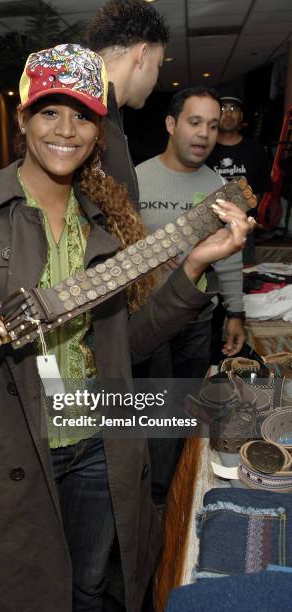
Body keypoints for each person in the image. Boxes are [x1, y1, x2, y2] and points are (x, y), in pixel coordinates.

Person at [0, 44, 254, 612]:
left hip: (98, 439)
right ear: (22, 119)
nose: (65, 129)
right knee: (19, 588)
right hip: (12, 442)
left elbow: (132, 341)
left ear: (98, 130)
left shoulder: (108, 226)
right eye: (50, 111)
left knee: (89, 584)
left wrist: (194, 266)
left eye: (82, 115)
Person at [136, 86, 247, 509]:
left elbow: (231, 257)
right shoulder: (137, 178)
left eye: (213, 126)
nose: (203, 134)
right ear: (171, 124)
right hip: (147, 320)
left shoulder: (220, 186)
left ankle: (181, 485)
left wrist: (235, 311)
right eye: (194, 122)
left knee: (186, 403)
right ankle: (153, 493)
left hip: (197, 320)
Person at [86, 0, 169, 207]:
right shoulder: (87, 119)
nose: (157, 76)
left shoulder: (105, 113)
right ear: (142, 55)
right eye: (158, 64)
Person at [206, 95, 271, 264]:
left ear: (241, 116)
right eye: (223, 109)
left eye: (233, 109)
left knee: (243, 280)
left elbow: (260, 192)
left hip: (242, 230)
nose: (228, 114)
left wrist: (251, 221)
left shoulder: (256, 152)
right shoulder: (202, 149)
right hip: (206, 229)